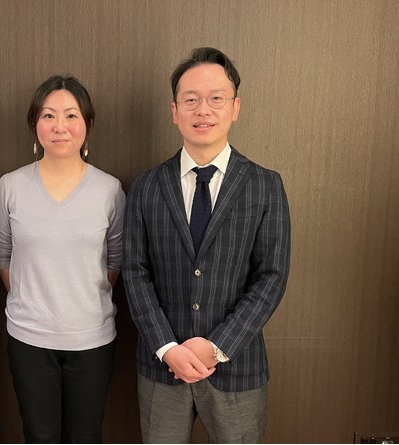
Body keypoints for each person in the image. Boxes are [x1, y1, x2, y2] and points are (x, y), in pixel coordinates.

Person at [123, 47, 291, 443]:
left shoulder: (265, 185)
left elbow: (271, 277)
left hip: (237, 367)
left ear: (235, 108)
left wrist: (217, 347)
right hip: (162, 367)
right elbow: (134, 272)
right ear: (174, 111)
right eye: (191, 100)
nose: (203, 110)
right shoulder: (146, 186)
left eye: (216, 98)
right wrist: (167, 346)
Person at [0, 75, 125, 443]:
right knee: (39, 435)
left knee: (86, 435)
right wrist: (34, 299)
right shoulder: (11, 186)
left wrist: (78, 300)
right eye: (49, 115)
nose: (60, 126)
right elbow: (2, 255)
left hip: (92, 340)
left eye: (71, 115)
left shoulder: (109, 189)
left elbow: (115, 261)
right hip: (29, 339)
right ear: (35, 124)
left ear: (87, 124)